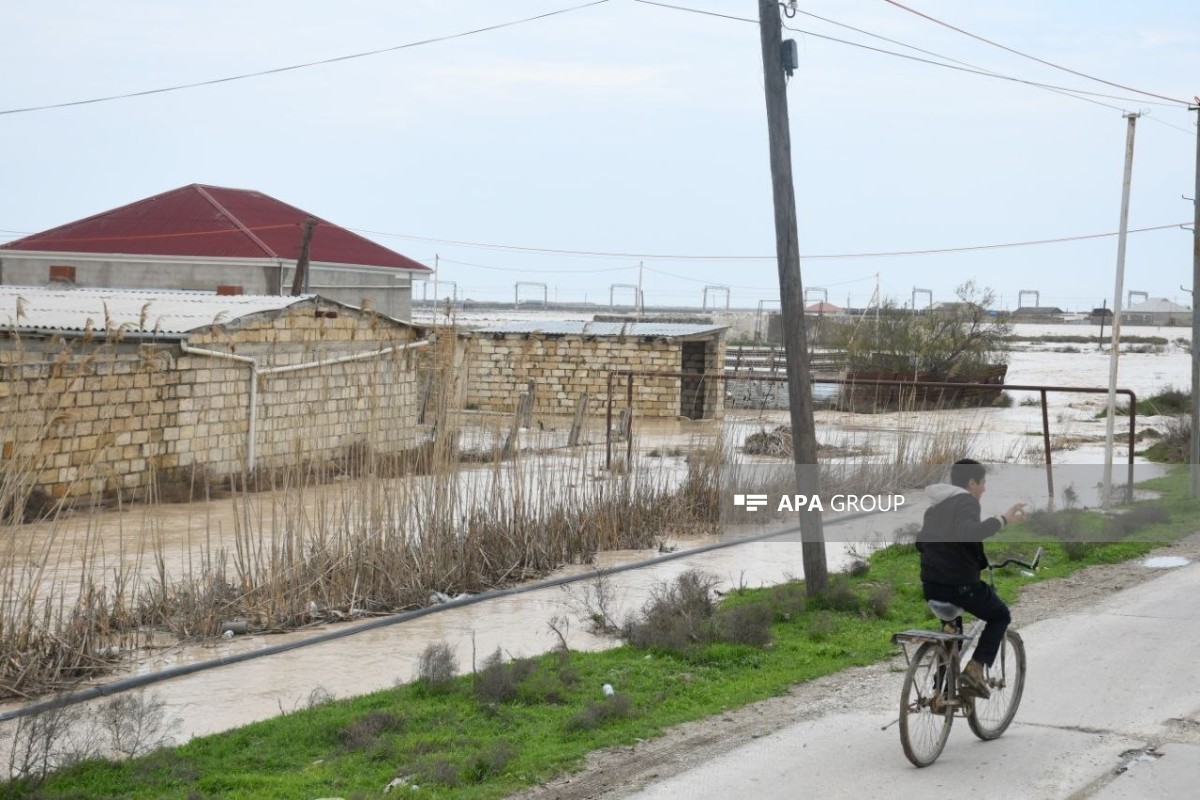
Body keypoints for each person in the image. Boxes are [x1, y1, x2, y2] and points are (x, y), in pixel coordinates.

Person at [916, 458, 1026, 699]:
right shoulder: (966, 501)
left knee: (953, 634)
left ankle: (942, 692)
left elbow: (921, 543)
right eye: (983, 483)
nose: (984, 489)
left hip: (931, 585)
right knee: (1000, 615)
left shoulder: (936, 506)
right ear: (971, 483)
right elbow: (968, 532)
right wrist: (1002, 520)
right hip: (959, 586)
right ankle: (974, 670)